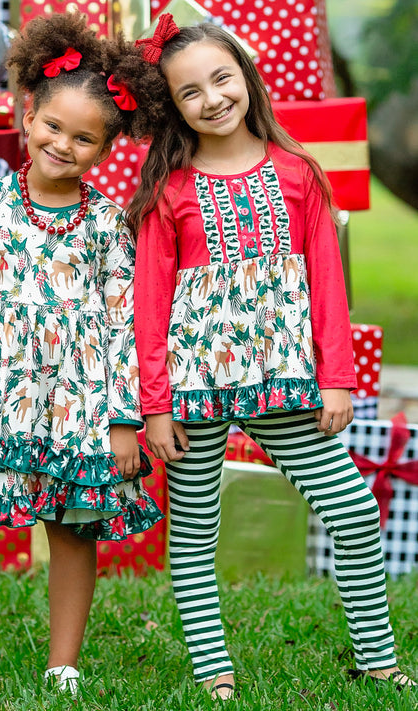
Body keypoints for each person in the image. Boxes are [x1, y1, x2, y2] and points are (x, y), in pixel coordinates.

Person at [125, 13, 416, 701]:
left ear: (246, 78)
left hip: (284, 385)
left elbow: (327, 286)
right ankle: (214, 674)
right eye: (189, 91)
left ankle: (376, 660)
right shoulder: (168, 190)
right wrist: (155, 404)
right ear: (174, 107)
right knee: (194, 533)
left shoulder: (298, 174)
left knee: (350, 509)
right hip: (194, 391)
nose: (212, 98)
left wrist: (336, 379)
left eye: (220, 78)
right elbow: (148, 304)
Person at [0, 12, 163, 698]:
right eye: (54, 126)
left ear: (107, 149)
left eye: (84, 138)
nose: (63, 144)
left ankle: (63, 661)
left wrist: (120, 418)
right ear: (29, 114)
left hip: (76, 394)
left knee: (73, 521)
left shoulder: (109, 224)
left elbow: (121, 325)